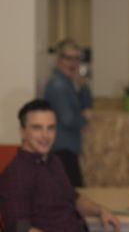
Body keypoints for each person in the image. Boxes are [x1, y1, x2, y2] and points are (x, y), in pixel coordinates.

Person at [0, 99, 120, 232]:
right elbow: (19, 228)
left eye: (50, 128)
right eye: (37, 128)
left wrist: (100, 210)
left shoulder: (54, 161)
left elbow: (73, 198)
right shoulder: (15, 174)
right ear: (22, 132)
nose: (45, 135)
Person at [44, 39, 92, 187]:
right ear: (59, 59)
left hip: (68, 148)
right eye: (68, 58)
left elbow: (87, 105)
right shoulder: (58, 85)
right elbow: (68, 119)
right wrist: (84, 119)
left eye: (77, 58)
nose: (73, 63)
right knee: (73, 195)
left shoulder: (68, 82)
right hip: (62, 149)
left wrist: (81, 84)